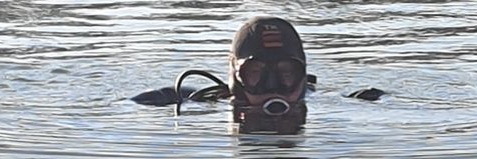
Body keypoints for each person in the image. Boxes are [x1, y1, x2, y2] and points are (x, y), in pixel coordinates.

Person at [131, 16, 384, 134]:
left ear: (303, 74)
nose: (272, 87)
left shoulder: (345, 103)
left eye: (286, 73)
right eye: (255, 72)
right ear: (235, 77)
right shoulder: (197, 99)